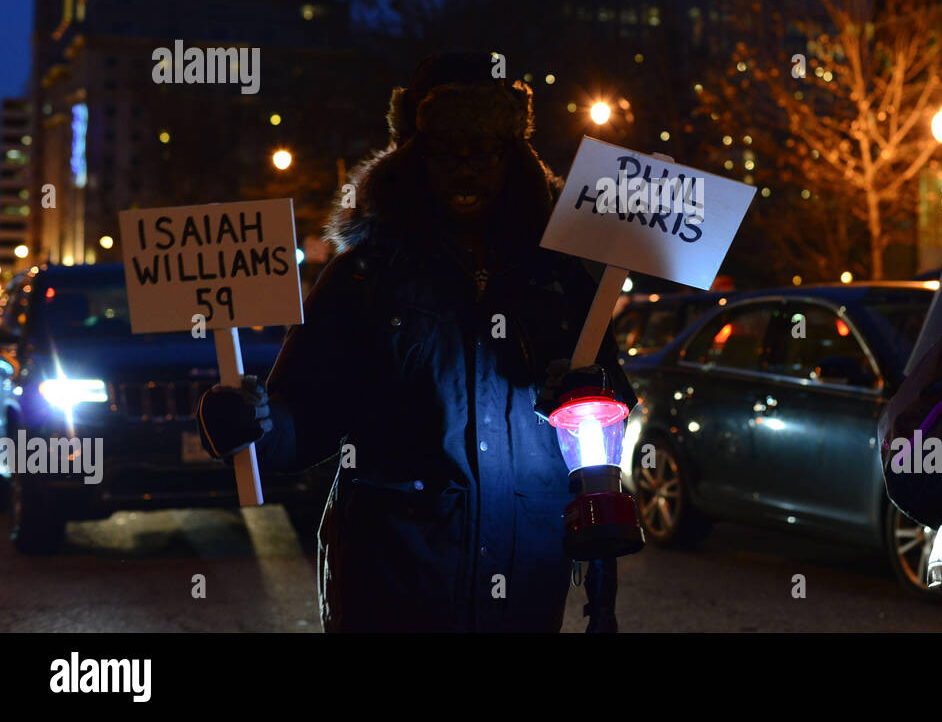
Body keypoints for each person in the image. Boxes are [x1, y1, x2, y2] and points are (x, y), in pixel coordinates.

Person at [195, 52, 635, 632]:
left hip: (525, 582)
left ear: (512, 158)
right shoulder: (365, 277)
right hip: (393, 584)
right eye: (445, 152)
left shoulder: (558, 279)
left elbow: (605, 423)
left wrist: (595, 398)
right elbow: (304, 418)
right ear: (413, 158)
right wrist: (250, 424)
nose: (466, 171)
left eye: (483, 151)